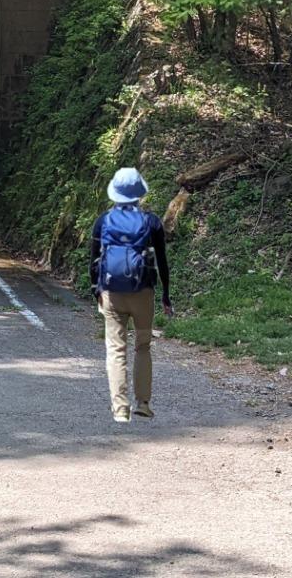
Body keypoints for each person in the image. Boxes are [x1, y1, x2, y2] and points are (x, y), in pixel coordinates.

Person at [90, 167, 172, 423]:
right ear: (139, 194)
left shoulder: (103, 220)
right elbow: (162, 261)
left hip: (112, 293)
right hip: (143, 293)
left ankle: (120, 409)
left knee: (116, 350)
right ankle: (143, 403)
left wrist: (96, 290)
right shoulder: (152, 221)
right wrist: (166, 295)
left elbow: (93, 261)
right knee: (142, 346)